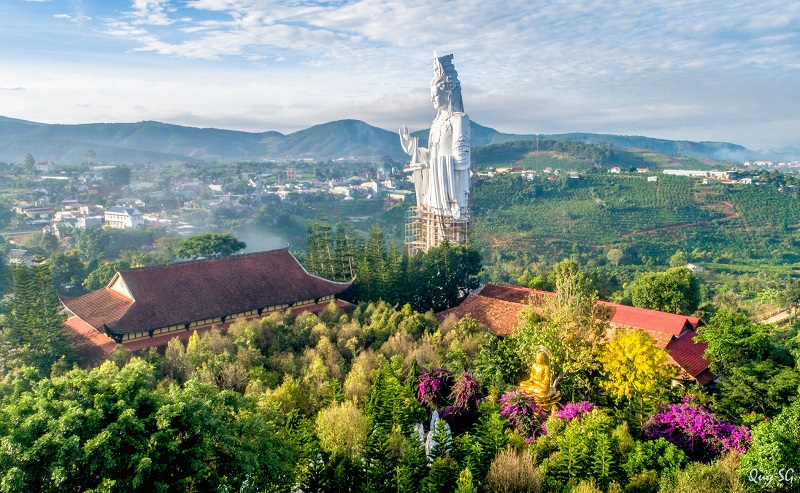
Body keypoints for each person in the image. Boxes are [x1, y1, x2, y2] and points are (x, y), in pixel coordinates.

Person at [400, 53, 470, 219]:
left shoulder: (459, 119)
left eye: (436, 94)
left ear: (448, 93)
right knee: (433, 232)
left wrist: (427, 165)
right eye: (431, 95)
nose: (432, 98)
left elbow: (462, 160)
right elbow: (432, 155)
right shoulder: (436, 123)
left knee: (450, 234)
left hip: (451, 190)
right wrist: (415, 151)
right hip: (434, 187)